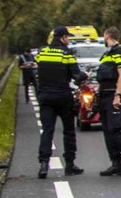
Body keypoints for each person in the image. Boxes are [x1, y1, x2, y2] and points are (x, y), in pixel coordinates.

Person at [34, 26, 86, 179]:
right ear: (63, 38)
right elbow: (76, 75)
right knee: (68, 131)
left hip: (45, 97)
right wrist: (83, 76)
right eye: (68, 38)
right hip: (63, 96)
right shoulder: (66, 54)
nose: (69, 40)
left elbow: (39, 71)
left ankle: (44, 164)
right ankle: (70, 164)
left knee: (47, 130)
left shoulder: (42, 53)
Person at [95, 27, 121, 177]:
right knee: (107, 131)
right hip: (104, 95)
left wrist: (117, 95)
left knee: (115, 129)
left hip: (114, 95)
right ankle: (115, 163)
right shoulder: (107, 54)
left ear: (108, 36)